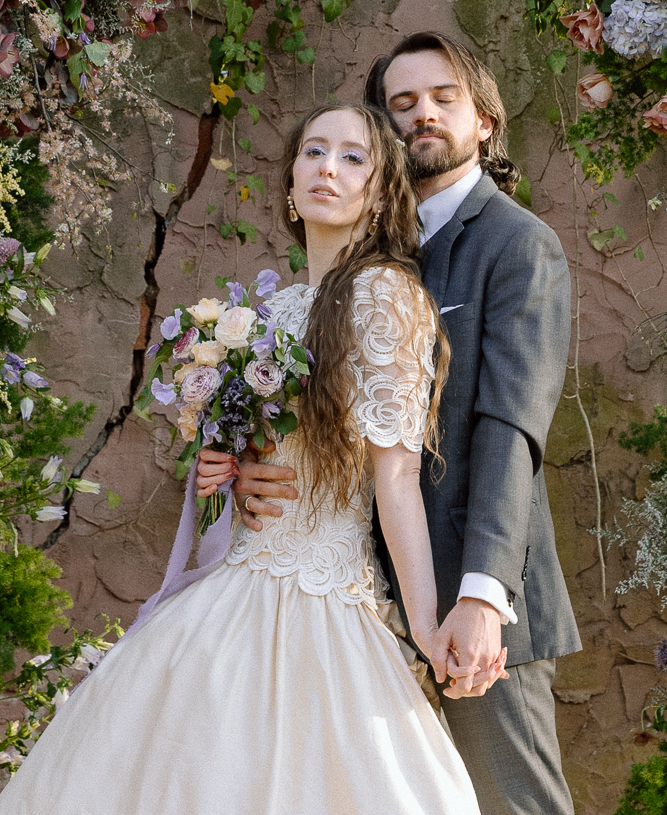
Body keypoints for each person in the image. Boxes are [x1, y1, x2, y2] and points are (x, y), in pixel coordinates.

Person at [0, 103, 504, 815]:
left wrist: (424, 627)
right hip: (235, 585)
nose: (327, 168)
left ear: (382, 191)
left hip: (322, 594)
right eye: (313, 151)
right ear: (291, 184)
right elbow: (267, 454)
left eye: (353, 157)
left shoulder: (385, 295)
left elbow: (394, 476)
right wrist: (223, 475)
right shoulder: (275, 311)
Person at [202, 34, 582, 815]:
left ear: (483, 120)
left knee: (509, 804)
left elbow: (508, 430)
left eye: (443, 98)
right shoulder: (357, 252)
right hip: (350, 604)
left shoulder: (515, 244)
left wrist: (481, 597)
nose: (422, 115)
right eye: (400, 104)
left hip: (471, 599)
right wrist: (258, 474)